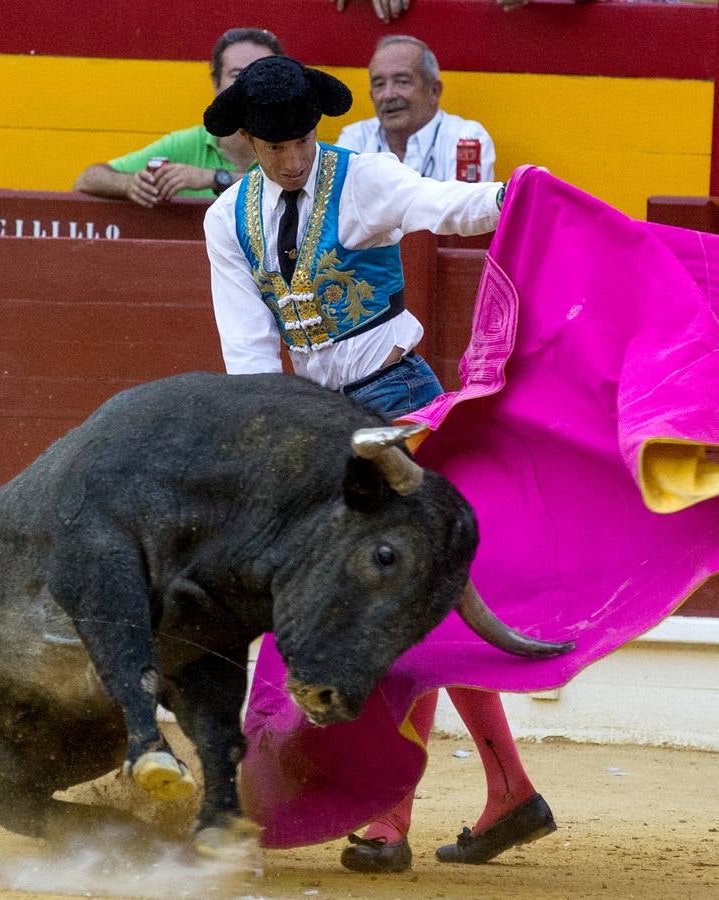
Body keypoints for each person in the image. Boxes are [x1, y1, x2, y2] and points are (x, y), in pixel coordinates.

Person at [202, 55, 556, 873]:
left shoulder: (362, 180)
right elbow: (250, 352)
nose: (294, 160)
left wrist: (514, 195)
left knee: (403, 600)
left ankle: (392, 818)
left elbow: (447, 205)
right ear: (246, 140)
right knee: (405, 602)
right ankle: (509, 791)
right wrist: (275, 446)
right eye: (275, 145)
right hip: (318, 425)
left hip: (400, 405)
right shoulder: (227, 221)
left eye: (302, 141)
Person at [73, 28, 283, 208]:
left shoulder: (296, 141)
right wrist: (131, 185)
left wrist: (212, 178)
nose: (249, 84)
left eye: (261, 73)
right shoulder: (188, 143)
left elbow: (295, 192)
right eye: (237, 75)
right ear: (215, 82)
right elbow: (87, 179)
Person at [336, 35, 495, 183]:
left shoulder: (466, 139)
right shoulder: (355, 138)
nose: (388, 95)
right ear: (371, 95)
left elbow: (465, 210)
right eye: (379, 84)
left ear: (434, 91)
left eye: (402, 82)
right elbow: (335, 207)